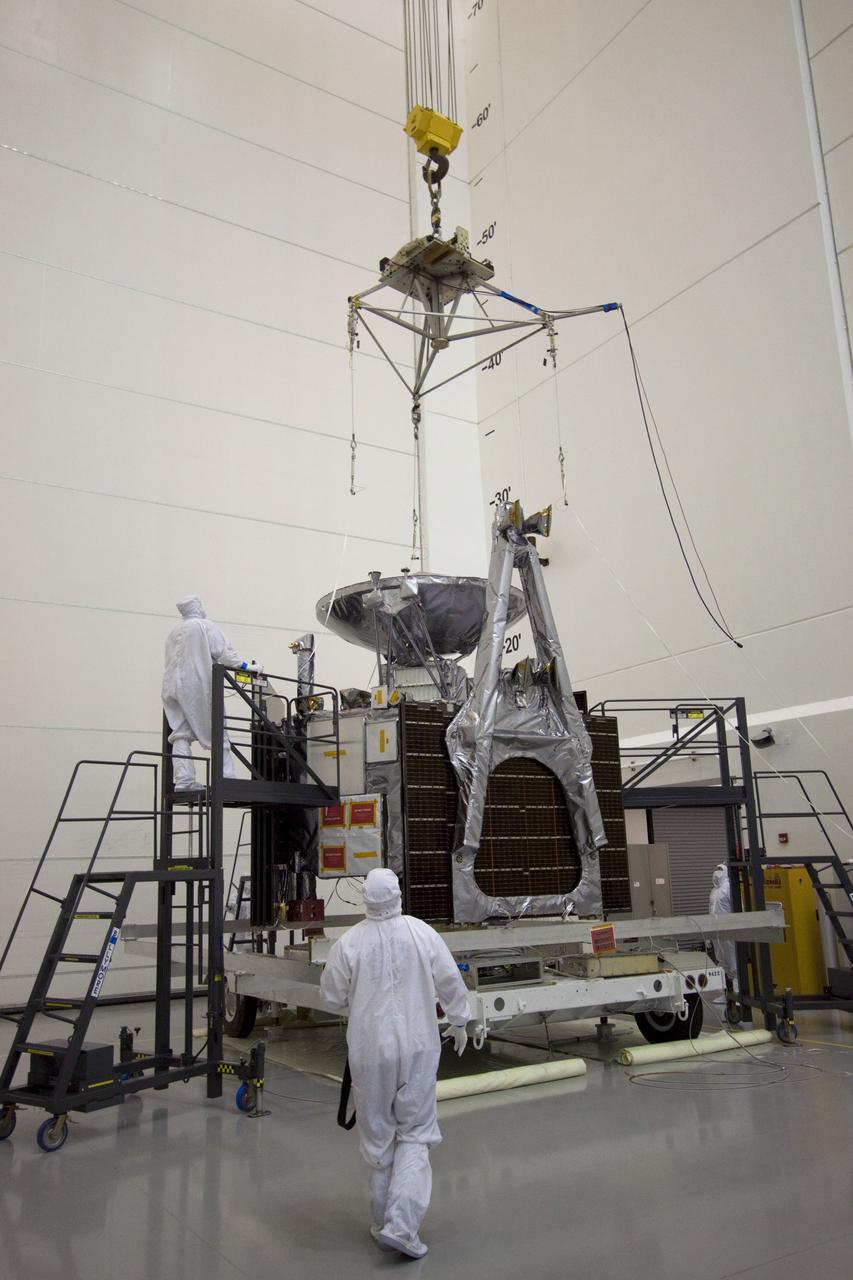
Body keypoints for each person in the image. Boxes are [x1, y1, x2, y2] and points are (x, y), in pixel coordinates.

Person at [320, 867, 471, 1259]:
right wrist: (460, 1020)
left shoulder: (349, 942)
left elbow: (331, 997)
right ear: (398, 895)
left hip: (370, 1053)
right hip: (419, 1047)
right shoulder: (422, 933)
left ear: (366, 899)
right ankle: (401, 1227)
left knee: (379, 1135)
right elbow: (451, 981)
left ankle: (383, 1221)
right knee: (416, 1133)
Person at [161, 596, 259, 790]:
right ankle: (226, 778)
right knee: (218, 731)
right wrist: (247, 667)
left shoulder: (172, 633)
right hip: (197, 686)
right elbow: (224, 654)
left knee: (180, 733)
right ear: (198, 607)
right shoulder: (204, 625)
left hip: (171, 687)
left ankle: (184, 781)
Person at [709, 862, 738, 987]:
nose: (717, 872)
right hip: (716, 931)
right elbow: (710, 910)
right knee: (720, 959)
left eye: (720, 870)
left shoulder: (729, 888)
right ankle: (724, 990)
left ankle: (738, 991)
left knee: (733, 960)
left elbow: (737, 908)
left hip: (728, 929)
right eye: (717, 869)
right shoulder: (714, 891)